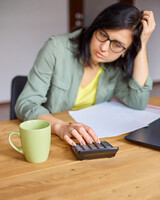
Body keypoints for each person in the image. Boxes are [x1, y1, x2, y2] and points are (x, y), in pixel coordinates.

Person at [15, 2, 156, 146]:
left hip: (90, 138)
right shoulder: (57, 48)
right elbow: (26, 103)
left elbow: (138, 102)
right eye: (102, 34)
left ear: (125, 51)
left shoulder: (115, 66)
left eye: (117, 45)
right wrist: (60, 126)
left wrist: (142, 44)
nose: (104, 47)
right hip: (53, 136)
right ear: (95, 27)